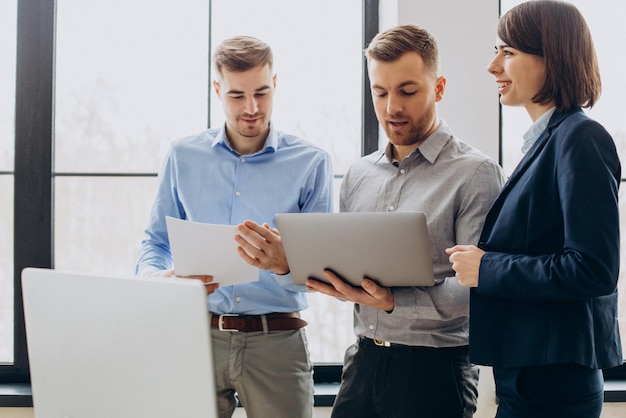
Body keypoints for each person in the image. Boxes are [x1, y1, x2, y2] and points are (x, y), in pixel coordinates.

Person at [306, 24, 506, 418]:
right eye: (380, 92)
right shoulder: (359, 174)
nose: (392, 107)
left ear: (440, 88)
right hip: (362, 363)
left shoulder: (475, 174)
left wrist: (395, 300)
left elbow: (481, 292)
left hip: (435, 371)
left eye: (408, 91)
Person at [135, 35, 333, 418]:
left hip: (278, 340)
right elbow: (154, 242)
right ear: (217, 89)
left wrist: (285, 264)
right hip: (195, 335)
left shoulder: (312, 163)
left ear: (276, 84)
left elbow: (321, 272)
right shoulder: (182, 156)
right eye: (236, 96)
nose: (252, 108)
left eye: (261, 92)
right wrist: (159, 279)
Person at [446, 1, 623, 417]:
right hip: (528, 376)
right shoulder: (548, 141)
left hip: (553, 382)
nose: (493, 67)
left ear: (552, 56)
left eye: (508, 52)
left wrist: (486, 268)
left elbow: (593, 268)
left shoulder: (581, 138)